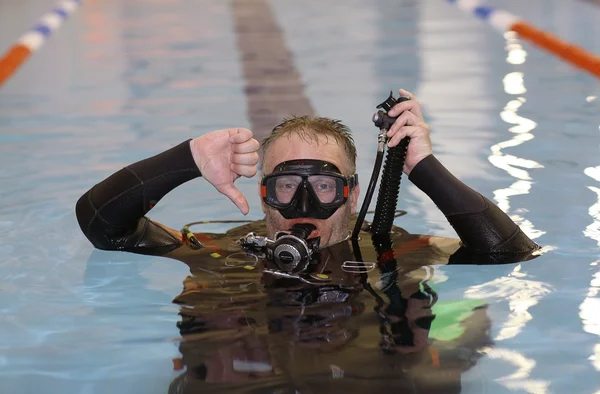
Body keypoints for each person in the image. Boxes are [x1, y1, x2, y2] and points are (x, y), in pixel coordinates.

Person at [75, 88, 539, 259]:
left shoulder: (392, 252)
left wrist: (423, 167)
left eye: (323, 186)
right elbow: (103, 228)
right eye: (285, 185)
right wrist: (186, 160)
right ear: (263, 194)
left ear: (352, 195)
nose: (303, 206)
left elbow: (511, 252)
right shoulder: (228, 254)